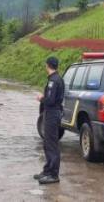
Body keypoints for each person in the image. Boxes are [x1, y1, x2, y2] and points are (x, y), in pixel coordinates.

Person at [34, 56, 65, 185]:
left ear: (48, 65)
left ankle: (53, 174)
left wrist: (41, 97)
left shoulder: (54, 81)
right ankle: (47, 170)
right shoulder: (57, 79)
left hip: (52, 113)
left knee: (52, 144)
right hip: (52, 113)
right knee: (47, 143)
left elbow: (50, 101)